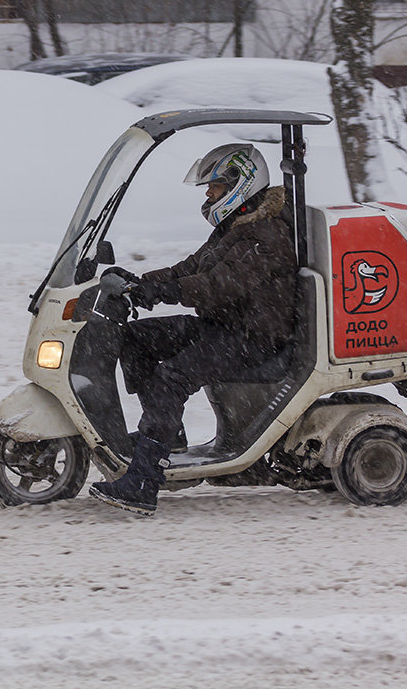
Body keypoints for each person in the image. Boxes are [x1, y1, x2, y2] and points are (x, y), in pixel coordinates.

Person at [89, 143, 297, 516]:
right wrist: (140, 284)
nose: (208, 194)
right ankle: (168, 435)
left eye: (214, 186)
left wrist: (165, 291)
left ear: (240, 183)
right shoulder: (237, 225)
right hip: (226, 326)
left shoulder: (266, 233)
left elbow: (220, 284)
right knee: (137, 338)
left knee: (172, 378)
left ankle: (143, 483)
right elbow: (191, 268)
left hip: (254, 339)